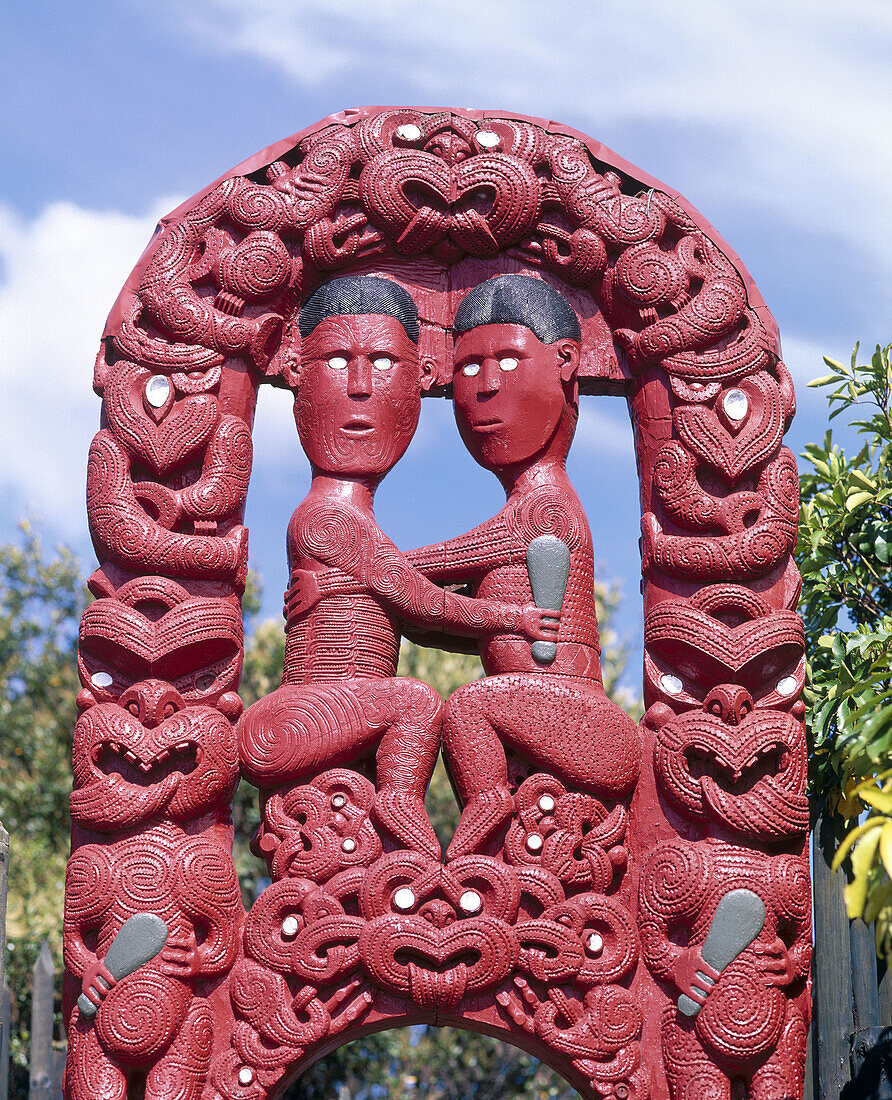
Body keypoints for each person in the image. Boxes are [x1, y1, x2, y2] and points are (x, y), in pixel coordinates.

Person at [237, 275, 558, 858]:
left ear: (420, 381)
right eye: (337, 360)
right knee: (414, 701)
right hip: (288, 727)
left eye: (383, 362)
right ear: (295, 374)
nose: (360, 389)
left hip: (319, 721)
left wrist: (356, 580)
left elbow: (420, 616)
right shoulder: (331, 519)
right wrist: (514, 620)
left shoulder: (356, 533)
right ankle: (400, 809)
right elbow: (419, 600)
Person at [405, 274, 640, 858]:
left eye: (508, 363)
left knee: (465, 704)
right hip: (544, 716)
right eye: (466, 369)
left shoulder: (544, 503)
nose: (485, 388)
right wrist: (405, 612)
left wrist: (353, 564)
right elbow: (475, 619)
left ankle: (487, 805)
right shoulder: (527, 504)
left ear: (566, 360)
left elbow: (438, 564)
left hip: (585, 723)